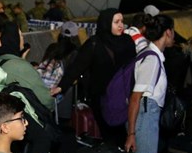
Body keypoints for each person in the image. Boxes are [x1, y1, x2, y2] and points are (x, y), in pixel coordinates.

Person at [116, 14, 176, 153]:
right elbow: (136, 98)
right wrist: (131, 133)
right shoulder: (151, 58)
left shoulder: (150, 55)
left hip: (143, 115)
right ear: (168, 32)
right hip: (145, 116)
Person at [56, 8, 135, 142]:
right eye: (116, 22)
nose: (121, 25)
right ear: (106, 23)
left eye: (122, 21)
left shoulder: (127, 41)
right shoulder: (94, 43)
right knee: (110, 135)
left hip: (125, 96)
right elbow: (77, 67)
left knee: (125, 132)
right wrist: (61, 87)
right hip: (103, 98)